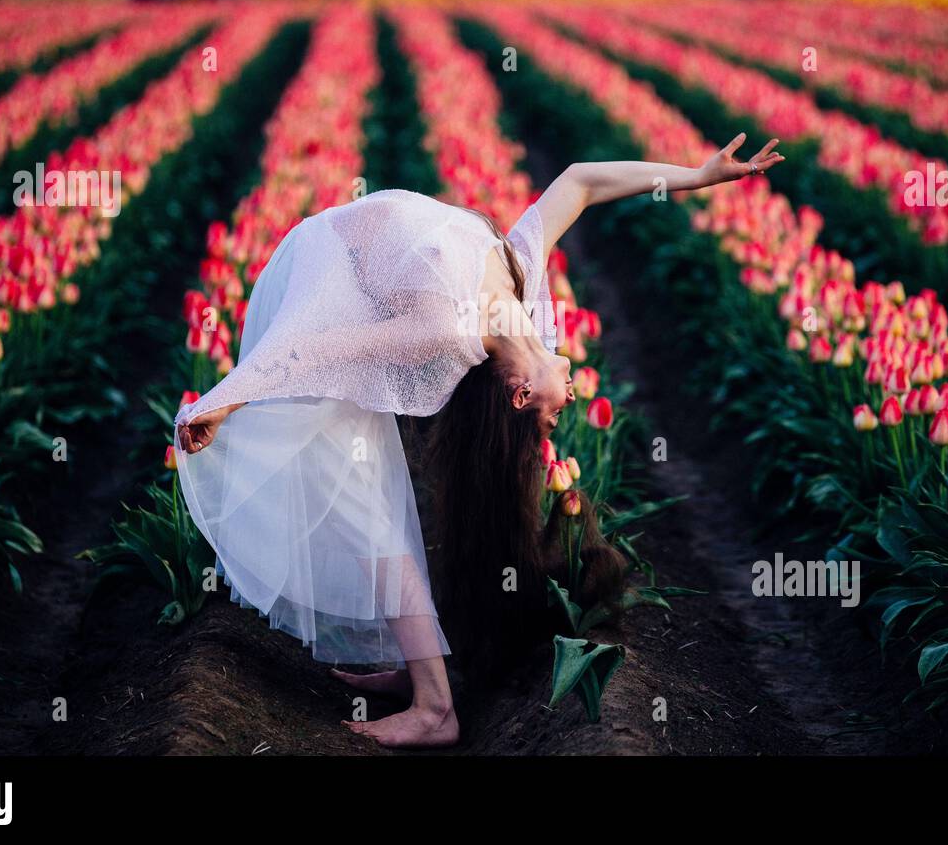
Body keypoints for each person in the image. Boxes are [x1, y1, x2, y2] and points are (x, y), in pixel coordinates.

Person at [174, 133, 785, 748]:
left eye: (550, 417)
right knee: (367, 501)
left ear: (520, 393)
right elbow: (579, 180)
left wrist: (227, 397)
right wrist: (697, 175)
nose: (569, 404)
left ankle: (436, 707)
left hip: (328, 291)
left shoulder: (446, 331)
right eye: (557, 416)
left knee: (365, 505)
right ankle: (426, 682)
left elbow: (324, 347)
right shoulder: (521, 276)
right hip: (325, 265)